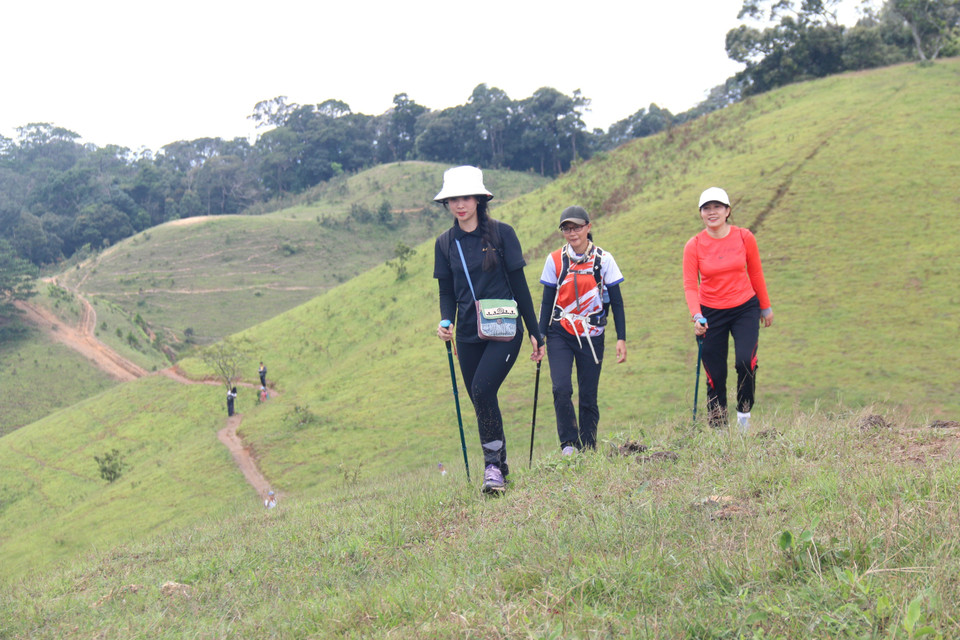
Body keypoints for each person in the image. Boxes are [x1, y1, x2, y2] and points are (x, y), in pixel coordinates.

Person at [433, 166, 544, 494]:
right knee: (481, 399)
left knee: (482, 390)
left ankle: (492, 468)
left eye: (466, 197)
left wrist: (535, 331)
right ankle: (501, 467)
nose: (460, 205)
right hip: (467, 334)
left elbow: (520, 285)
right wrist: (445, 321)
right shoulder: (444, 243)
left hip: (505, 329)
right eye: (453, 199)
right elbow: (446, 291)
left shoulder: (502, 233)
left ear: (480, 199)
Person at [538, 206, 627, 455]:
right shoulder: (554, 259)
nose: (572, 232)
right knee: (561, 388)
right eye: (567, 228)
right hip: (560, 332)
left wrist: (622, 338)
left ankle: (588, 448)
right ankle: (568, 445)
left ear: (588, 227)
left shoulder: (604, 259)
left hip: (592, 334)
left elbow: (617, 302)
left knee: (588, 395)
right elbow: (547, 300)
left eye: (577, 227)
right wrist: (540, 335)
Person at [683, 187, 774, 431]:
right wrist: (697, 315)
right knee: (715, 373)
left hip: (745, 308)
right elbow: (691, 286)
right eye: (707, 208)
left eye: (717, 207)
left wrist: (765, 307)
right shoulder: (694, 245)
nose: (712, 212)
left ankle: (744, 414)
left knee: (745, 361)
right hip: (710, 313)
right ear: (701, 214)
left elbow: (755, 272)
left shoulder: (745, 237)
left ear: (727, 211)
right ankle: (718, 428)